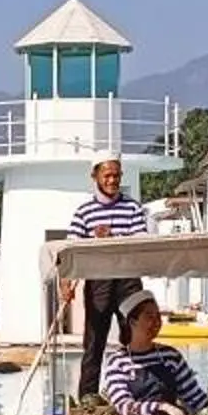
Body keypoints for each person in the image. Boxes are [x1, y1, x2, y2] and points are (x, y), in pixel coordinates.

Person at [62, 154, 149, 402]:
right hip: (98, 281)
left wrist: (112, 239)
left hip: (128, 280)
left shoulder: (133, 208)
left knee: (134, 338)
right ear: (95, 177)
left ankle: (138, 397)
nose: (112, 180)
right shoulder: (84, 212)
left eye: (116, 176)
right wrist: (65, 283)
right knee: (93, 344)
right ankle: (87, 402)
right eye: (107, 175)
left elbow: (141, 242)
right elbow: (70, 250)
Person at [100, 293, 208, 415]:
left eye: (158, 316)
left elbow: (195, 398)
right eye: (150, 317)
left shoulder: (171, 356)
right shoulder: (117, 362)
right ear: (132, 321)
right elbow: (124, 405)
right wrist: (160, 407)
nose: (157, 322)